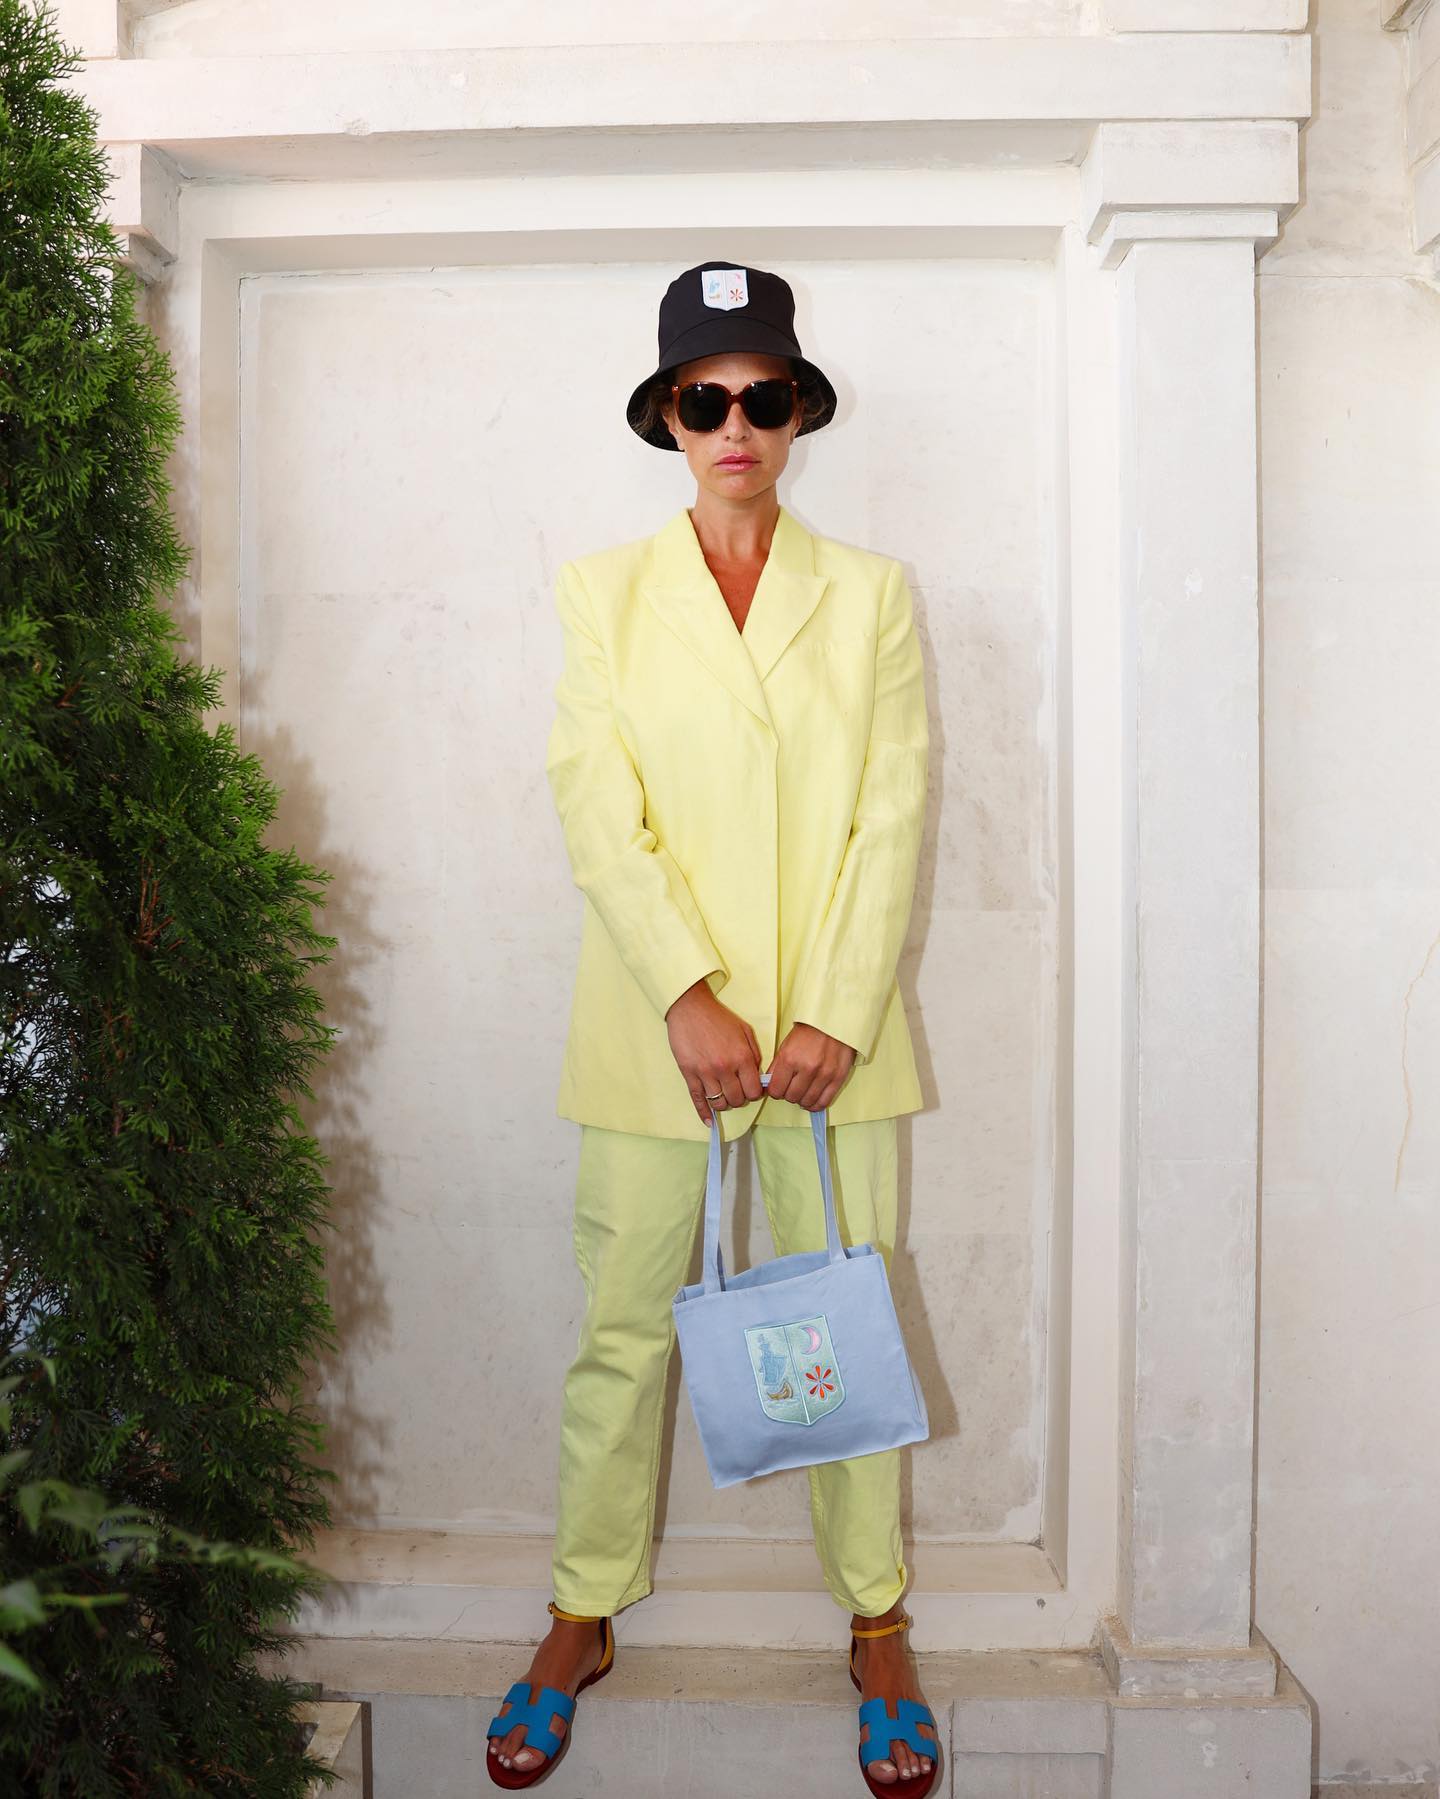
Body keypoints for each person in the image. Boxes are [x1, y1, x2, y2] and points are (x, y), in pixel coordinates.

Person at [486, 261, 938, 1794]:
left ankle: (877, 1621)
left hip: (829, 1049)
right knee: (621, 1332)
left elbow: (892, 815)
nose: (735, 425)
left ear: (798, 413)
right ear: (668, 419)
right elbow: (594, 808)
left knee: (843, 1331)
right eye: (705, 399)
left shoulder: (870, 596)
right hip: (650, 1036)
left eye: (763, 396)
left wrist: (835, 1011)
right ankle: (582, 1608)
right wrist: (685, 992)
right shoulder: (601, 595)